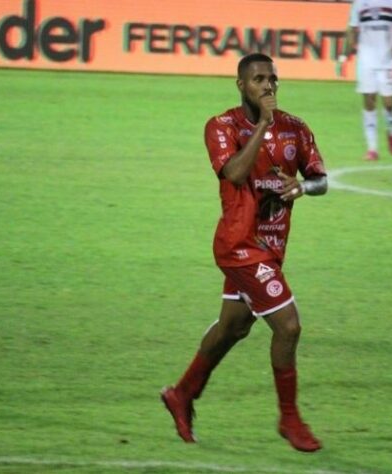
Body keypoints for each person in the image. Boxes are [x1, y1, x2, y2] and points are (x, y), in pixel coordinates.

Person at [160, 53, 328, 451]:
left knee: (234, 326)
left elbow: (322, 179)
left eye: (272, 78)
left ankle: (182, 393)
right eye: (258, 80)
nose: (268, 85)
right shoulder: (221, 127)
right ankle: (290, 419)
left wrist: (303, 187)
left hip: (271, 248)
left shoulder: (296, 130)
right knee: (288, 326)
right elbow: (234, 173)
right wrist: (264, 125)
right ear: (241, 85)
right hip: (238, 245)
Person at [338, 0, 392, 161]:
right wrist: (344, 56)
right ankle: (372, 148)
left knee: (389, 103)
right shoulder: (359, 3)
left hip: (388, 60)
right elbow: (351, 29)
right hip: (366, 60)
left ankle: (391, 131)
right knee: (369, 101)